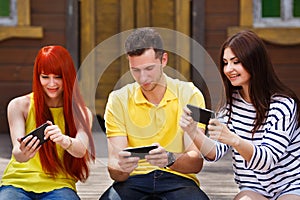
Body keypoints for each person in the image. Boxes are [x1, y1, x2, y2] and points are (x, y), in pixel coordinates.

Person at [180, 30, 300, 200]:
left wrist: (233, 139)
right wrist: (193, 131)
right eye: (225, 62)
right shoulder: (230, 107)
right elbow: (214, 153)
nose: (229, 69)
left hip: (291, 187)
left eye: (236, 62)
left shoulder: (282, 105)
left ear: (254, 63)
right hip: (255, 190)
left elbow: (267, 160)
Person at [99, 27, 209, 200]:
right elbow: (114, 168)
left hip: (178, 179)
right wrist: (121, 168)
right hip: (133, 180)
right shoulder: (118, 100)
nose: (143, 78)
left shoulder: (191, 95)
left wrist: (170, 159)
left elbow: (196, 162)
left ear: (163, 59)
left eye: (149, 68)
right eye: (135, 70)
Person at [0, 45, 95, 199]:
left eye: (58, 77)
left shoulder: (82, 113)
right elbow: (18, 154)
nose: (51, 84)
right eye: (45, 77)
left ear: (68, 76)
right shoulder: (18, 105)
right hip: (17, 183)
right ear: (37, 77)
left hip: (59, 185)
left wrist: (64, 140)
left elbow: (81, 150)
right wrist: (24, 151)